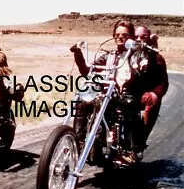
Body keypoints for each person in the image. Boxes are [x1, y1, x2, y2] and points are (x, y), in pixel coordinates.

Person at [70, 20, 148, 164]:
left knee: (129, 104)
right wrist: (78, 55)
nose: (120, 37)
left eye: (124, 35)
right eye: (117, 34)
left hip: (126, 94)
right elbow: (88, 71)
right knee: (82, 100)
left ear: (131, 36)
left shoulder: (137, 54)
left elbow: (143, 68)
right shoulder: (109, 55)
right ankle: (78, 141)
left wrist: (140, 67)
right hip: (107, 94)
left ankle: (133, 149)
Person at [134, 26, 169, 150]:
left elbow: (163, 83)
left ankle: (140, 141)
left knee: (152, 102)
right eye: (136, 37)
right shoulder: (128, 54)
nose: (139, 39)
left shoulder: (156, 57)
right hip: (130, 93)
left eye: (142, 37)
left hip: (147, 95)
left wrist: (155, 93)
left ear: (148, 38)